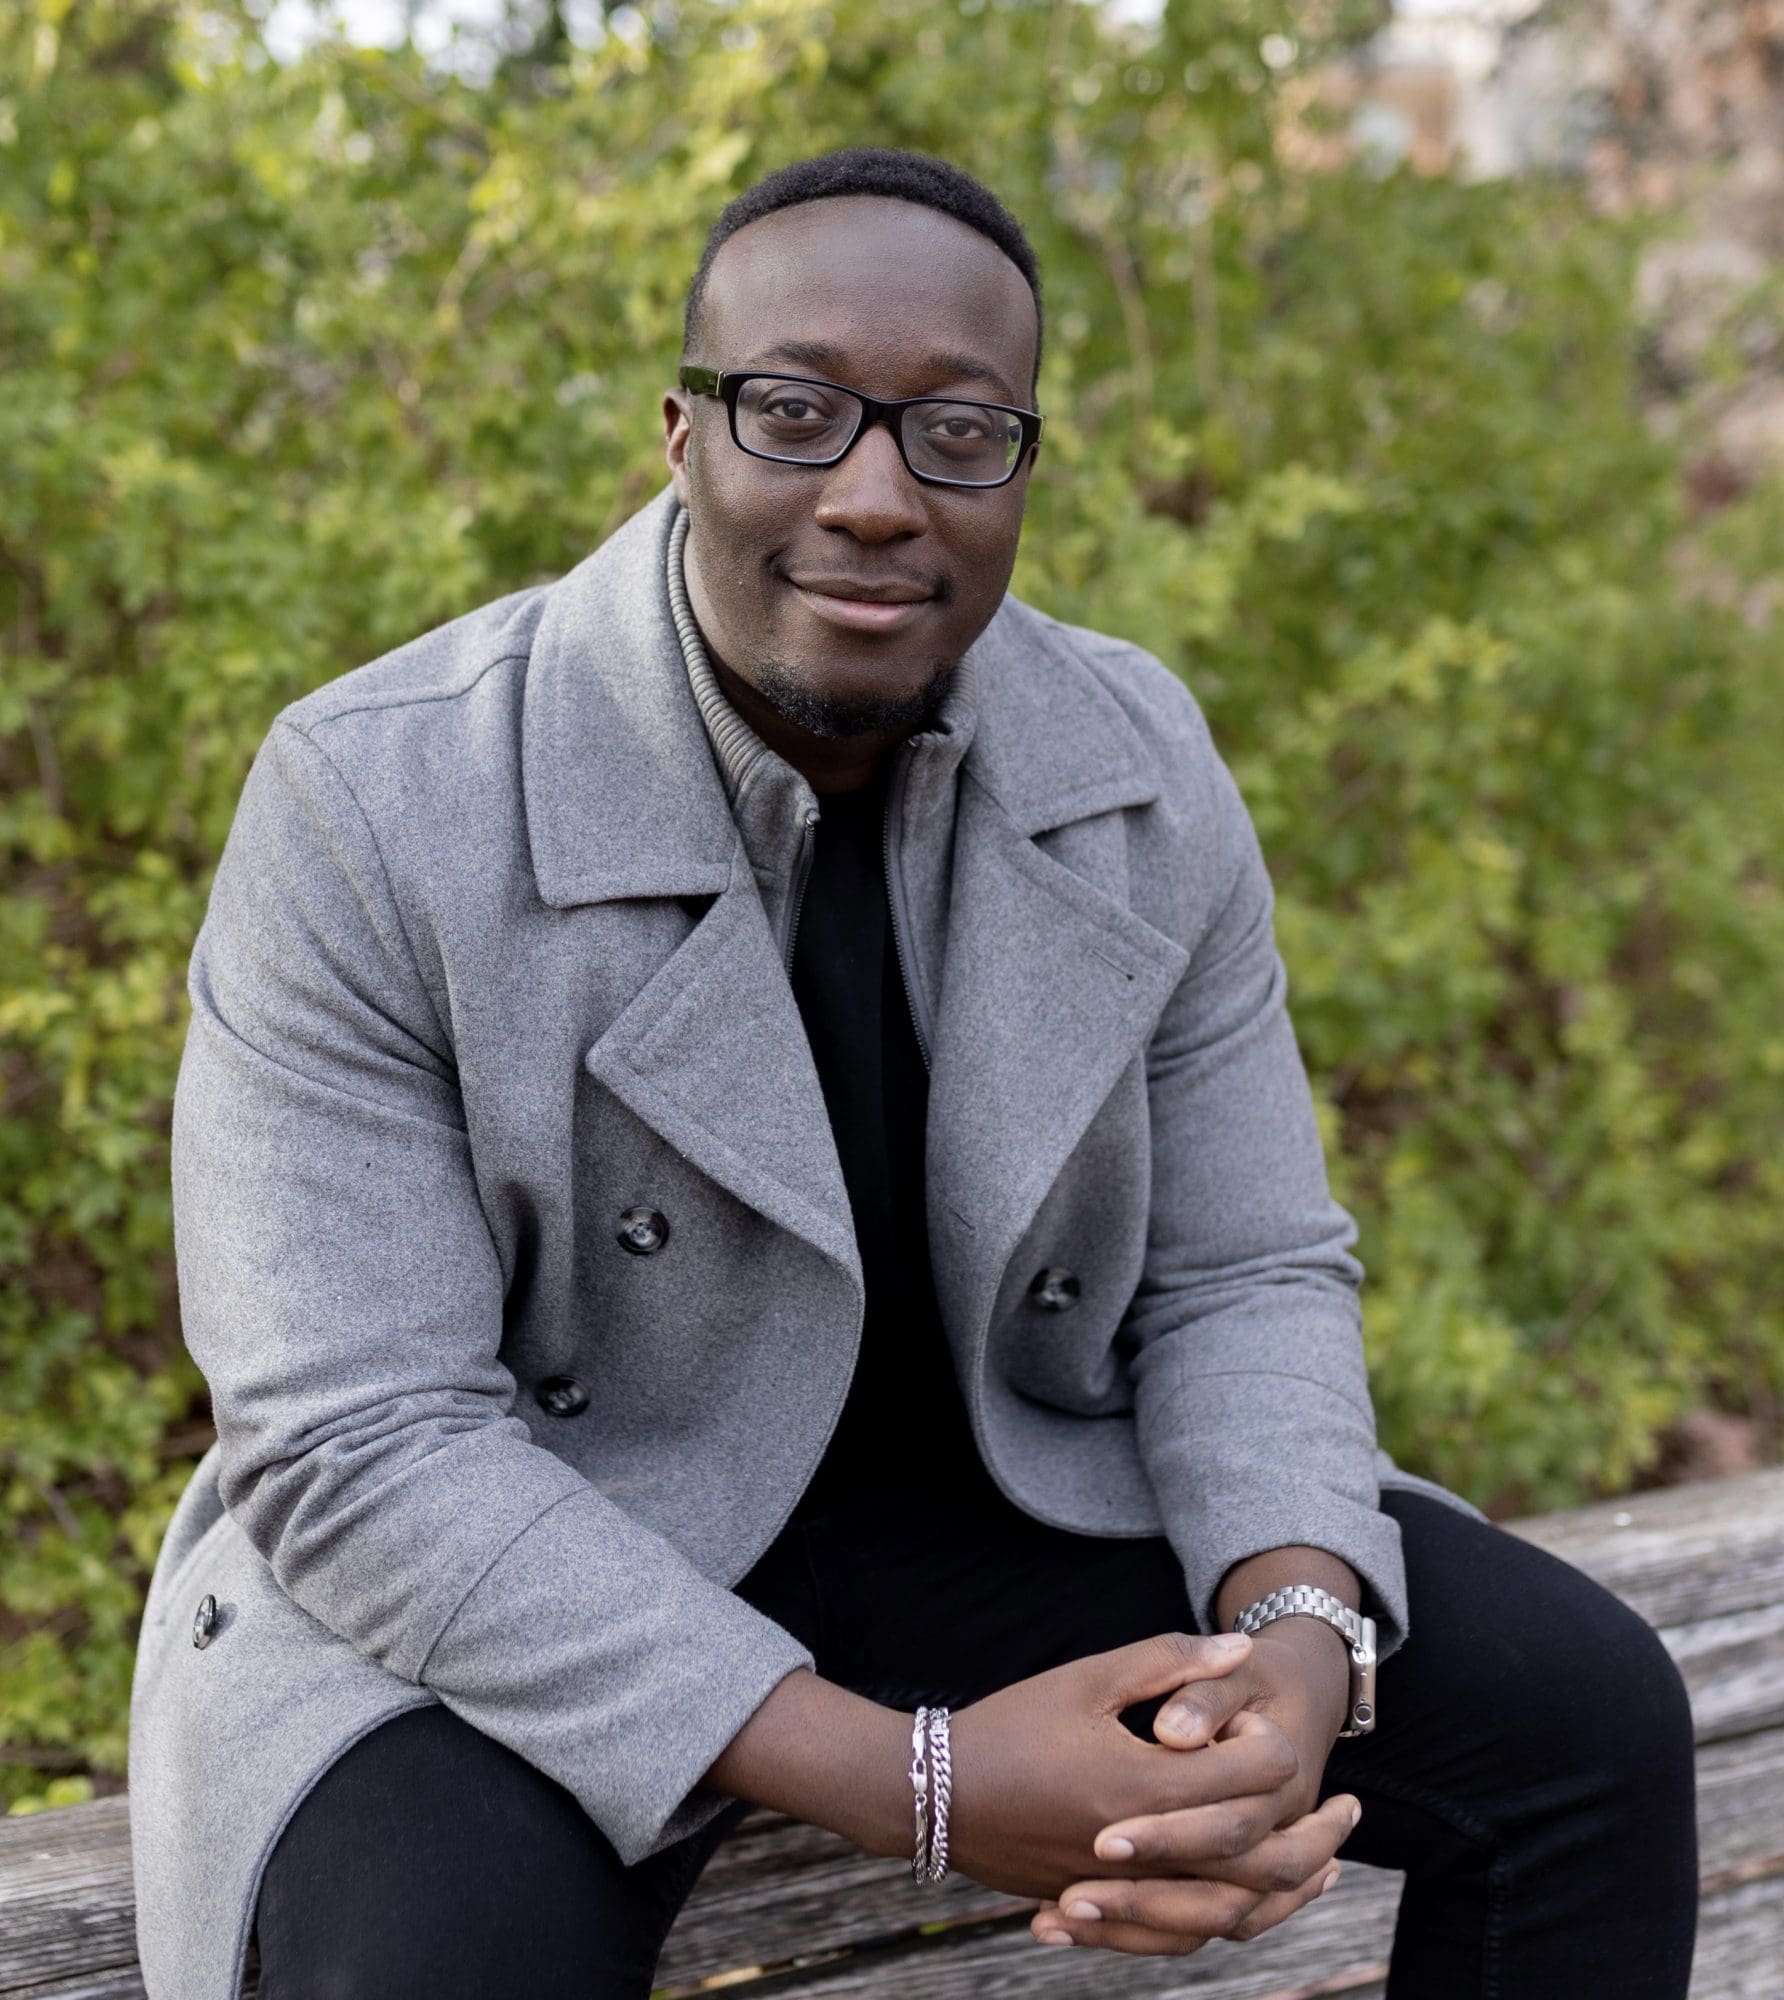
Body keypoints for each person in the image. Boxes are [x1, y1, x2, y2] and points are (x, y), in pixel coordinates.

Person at [126, 147, 1699, 1998]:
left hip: (1001, 1497)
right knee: (450, 1958)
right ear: (681, 433)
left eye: (958, 432)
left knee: (1593, 1729)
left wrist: (1291, 1642)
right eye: (795, 412)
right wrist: (924, 1784)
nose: (874, 496)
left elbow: (1245, 1265)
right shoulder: (378, 799)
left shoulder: (1136, 760)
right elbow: (355, 1442)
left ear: (1021, 469)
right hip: (534, 1535)